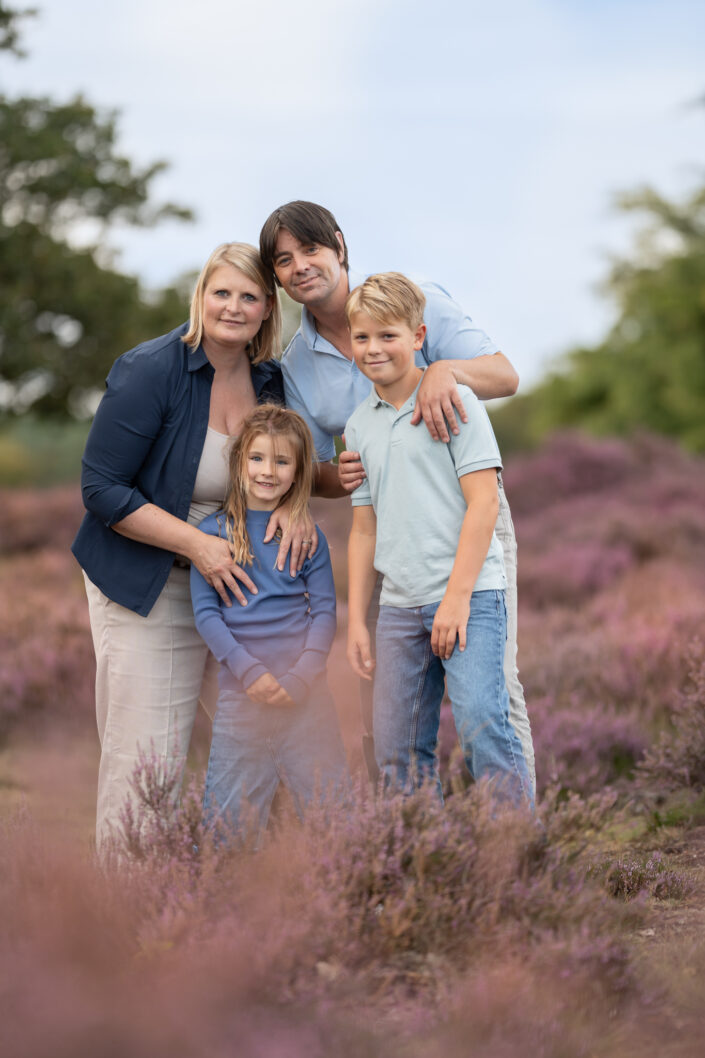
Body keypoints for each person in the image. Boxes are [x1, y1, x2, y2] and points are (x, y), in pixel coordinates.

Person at [259, 201, 535, 792]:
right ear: (277, 277)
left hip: (461, 520)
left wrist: (446, 373)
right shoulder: (296, 364)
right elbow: (318, 471)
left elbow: (505, 376)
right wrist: (347, 472)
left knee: (491, 700)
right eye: (284, 261)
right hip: (388, 536)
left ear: (338, 245)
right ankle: (410, 849)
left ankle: (514, 850)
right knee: (391, 712)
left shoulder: (415, 298)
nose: (301, 267)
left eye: (310, 250)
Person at [72, 242, 313, 850]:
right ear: (201, 297)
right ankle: (126, 923)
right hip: (150, 583)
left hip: (237, 591)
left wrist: (296, 504)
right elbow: (101, 488)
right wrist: (197, 546)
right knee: (147, 768)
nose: (233, 307)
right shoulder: (152, 369)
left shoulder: (269, 380)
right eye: (221, 292)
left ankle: (255, 910)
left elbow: (277, 469)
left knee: (275, 740)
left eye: (249, 296)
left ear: (268, 310)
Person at [344, 273, 532, 805]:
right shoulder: (359, 427)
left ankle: (517, 861)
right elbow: (363, 530)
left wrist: (456, 598)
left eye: (388, 336)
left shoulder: (457, 403)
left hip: (469, 599)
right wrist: (359, 620)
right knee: (397, 749)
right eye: (362, 338)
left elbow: (484, 503)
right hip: (399, 609)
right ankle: (422, 866)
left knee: (482, 728)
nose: (374, 348)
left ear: (418, 335)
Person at [191, 404, 348, 841]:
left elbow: (325, 614)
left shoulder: (306, 536)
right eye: (257, 458)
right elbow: (207, 615)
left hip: (308, 701)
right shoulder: (212, 533)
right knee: (228, 829)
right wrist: (250, 673)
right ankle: (228, 906)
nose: (267, 471)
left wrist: (302, 677)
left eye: (281, 461)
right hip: (241, 701)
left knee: (332, 819)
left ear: (298, 472)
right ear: (240, 462)